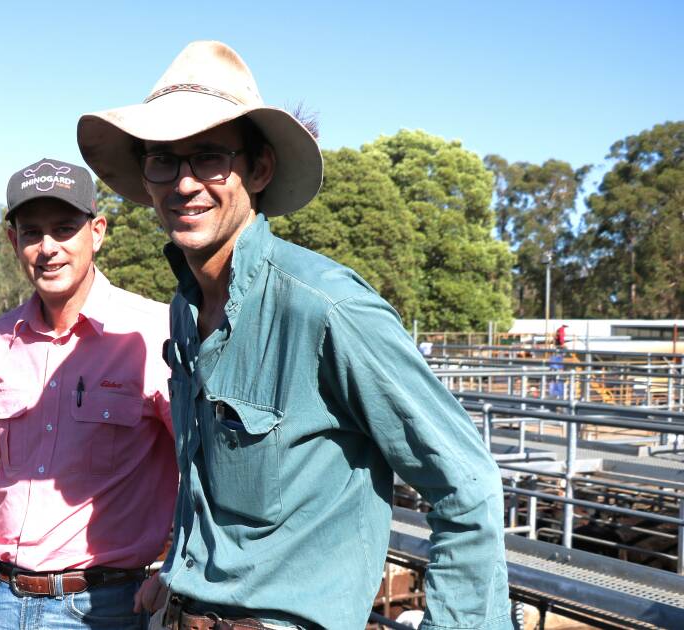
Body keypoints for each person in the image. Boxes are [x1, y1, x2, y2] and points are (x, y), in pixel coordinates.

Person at [78, 41, 511, 629]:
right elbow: (208, 480)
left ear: (258, 169)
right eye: (162, 160)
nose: (183, 184)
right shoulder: (184, 310)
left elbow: (468, 486)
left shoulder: (327, 308)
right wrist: (178, 570)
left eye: (208, 157)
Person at [0, 158, 176, 630]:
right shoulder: (0, 338)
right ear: (14, 242)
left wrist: (176, 569)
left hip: (101, 607)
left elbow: (201, 464)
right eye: (31, 232)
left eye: (65, 228)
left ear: (98, 231)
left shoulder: (154, 332)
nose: (48, 248)